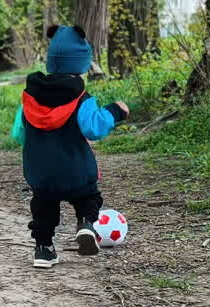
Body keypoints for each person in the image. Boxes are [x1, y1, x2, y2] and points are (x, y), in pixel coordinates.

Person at [9, 25, 129, 269]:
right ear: (82, 65)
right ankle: (85, 224)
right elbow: (93, 128)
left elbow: (18, 134)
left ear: (51, 61)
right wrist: (115, 111)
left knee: (43, 206)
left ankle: (43, 250)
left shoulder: (29, 98)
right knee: (88, 196)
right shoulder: (81, 98)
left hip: (40, 172)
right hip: (76, 170)